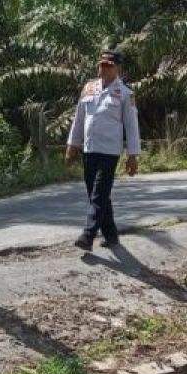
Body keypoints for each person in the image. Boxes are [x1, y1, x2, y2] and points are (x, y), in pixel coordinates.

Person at [65, 49, 141, 250]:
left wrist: (132, 155)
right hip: (89, 149)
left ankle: (87, 235)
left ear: (118, 68)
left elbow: (132, 127)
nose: (104, 69)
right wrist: (73, 144)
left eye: (109, 66)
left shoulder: (125, 93)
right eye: (102, 65)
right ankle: (112, 235)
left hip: (109, 152)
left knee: (98, 194)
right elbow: (79, 118)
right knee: (96, 194)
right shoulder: (89, 88)